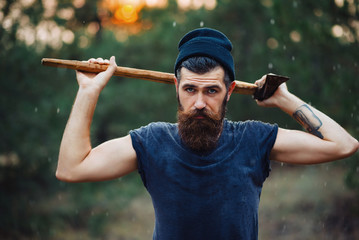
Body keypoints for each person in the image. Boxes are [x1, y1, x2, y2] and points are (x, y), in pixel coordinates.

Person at [56, 28, 359, 239]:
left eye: (211, 90)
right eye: (190, 89)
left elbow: (343, 145)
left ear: (230, 92)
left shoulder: (253, 140)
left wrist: (284, 99)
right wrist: (88, 90)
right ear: (177, 88)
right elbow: (71, 168)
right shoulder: (151, 142)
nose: (199, 103)